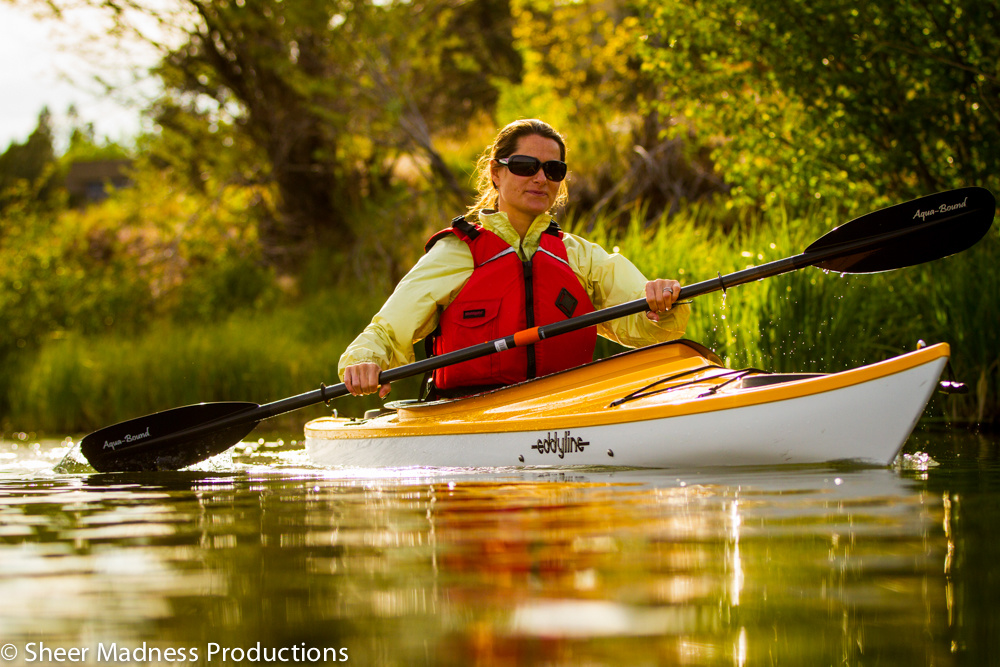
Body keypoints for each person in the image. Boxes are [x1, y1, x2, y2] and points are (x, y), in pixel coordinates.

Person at [340, 119, 690, 399]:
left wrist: (662, 304)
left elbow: (647, 327)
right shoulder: (457, 253)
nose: (540, 178)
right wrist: (364, 361)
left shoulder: (580, 256)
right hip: (468, 410)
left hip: (566, 406)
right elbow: (388, 329)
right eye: (526, 166)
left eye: (553, 170)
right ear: (496, 172)